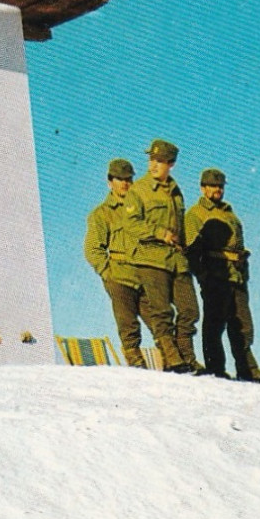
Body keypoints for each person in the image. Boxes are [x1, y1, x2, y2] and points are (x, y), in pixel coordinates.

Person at [185, 168, 260, 382]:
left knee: (243, 324)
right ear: (202, 188)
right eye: (212, 186)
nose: (217, 190)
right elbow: (191, 249)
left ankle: (247, 368)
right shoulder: (195, 214)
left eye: (220, 186)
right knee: (215, 325)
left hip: (237, 275)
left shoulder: (229, 214)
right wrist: (203, 275)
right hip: (215, 274)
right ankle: (216, 368)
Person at [124, 138, 200, 373]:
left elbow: (182, 228)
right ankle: (173, 357)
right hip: (151, 258)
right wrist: (158, 233)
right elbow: (131, 224)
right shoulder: (139, 190)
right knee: (161, 312)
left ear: (171, 164)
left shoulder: (176, 192)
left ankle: (187, 356)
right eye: (151, 160)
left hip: (176, 259)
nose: (153, 165)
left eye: (160, 161)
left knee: (190, 311)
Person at [83, 157, 145, 367]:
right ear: (110, 182)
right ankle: (135, 361)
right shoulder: (101, 214)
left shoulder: (142, 211)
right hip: (119, 274)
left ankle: (174, 361)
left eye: (128, 179)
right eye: (120, 179)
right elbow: (93, 249)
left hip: (145, 273)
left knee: (160, 318)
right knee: (128, 323)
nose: (125, 183)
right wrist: (108, 273)